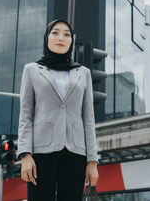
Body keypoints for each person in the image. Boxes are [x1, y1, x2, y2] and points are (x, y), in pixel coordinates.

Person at [17, 19, 99, 201]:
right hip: (41, 152)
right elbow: (25, 115)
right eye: (55, 32)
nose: (61, 37)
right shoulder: (31, 70)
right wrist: (25, 155)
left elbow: (88, 118)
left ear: (71, 40)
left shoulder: (83, 72)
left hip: (75, 153)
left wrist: (92, 161)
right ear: (47, 38)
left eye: (66, 34)